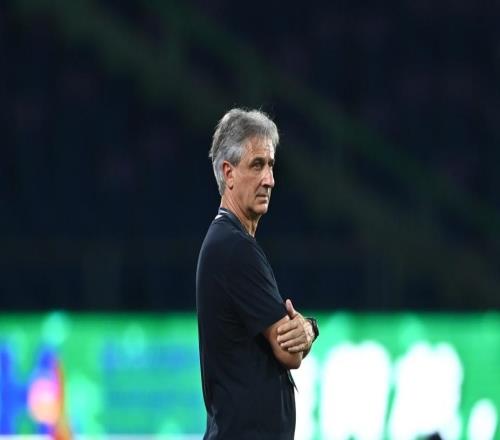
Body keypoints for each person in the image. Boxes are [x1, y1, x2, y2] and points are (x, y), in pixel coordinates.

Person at [196, 108, 319, 439]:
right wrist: (308, 330)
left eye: (271, 165)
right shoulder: (234, 248)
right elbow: (289, 352)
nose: (269, 180)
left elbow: (290, 340)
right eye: (257, 165)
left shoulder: (229, 241)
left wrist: (307, 329)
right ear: (229, 173)